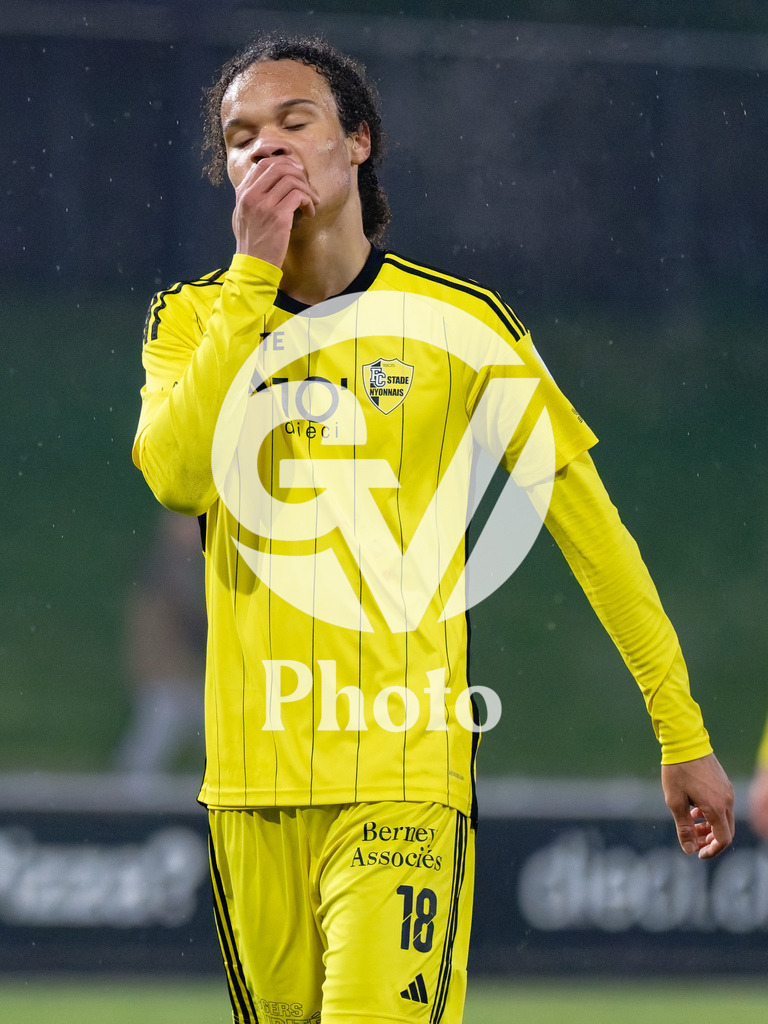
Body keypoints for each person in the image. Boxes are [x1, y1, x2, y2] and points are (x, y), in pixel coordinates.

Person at [132, 34, 734, 1024]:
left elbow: (593, 533)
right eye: (242, 139)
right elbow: (181, 475)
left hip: (404, 773)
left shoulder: (462, 324)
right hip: (250, 784)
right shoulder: (194, 321)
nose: (267, 152)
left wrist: (682, 729)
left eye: (296, 123)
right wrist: (251, 279)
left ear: (358, 141)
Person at [114, 509, 206, 775]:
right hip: (167, 676)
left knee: (212, 738)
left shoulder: (185, 567)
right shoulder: (167, 570)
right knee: (151, 744)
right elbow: (188, 621)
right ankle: (126, 800)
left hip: (184, 677)